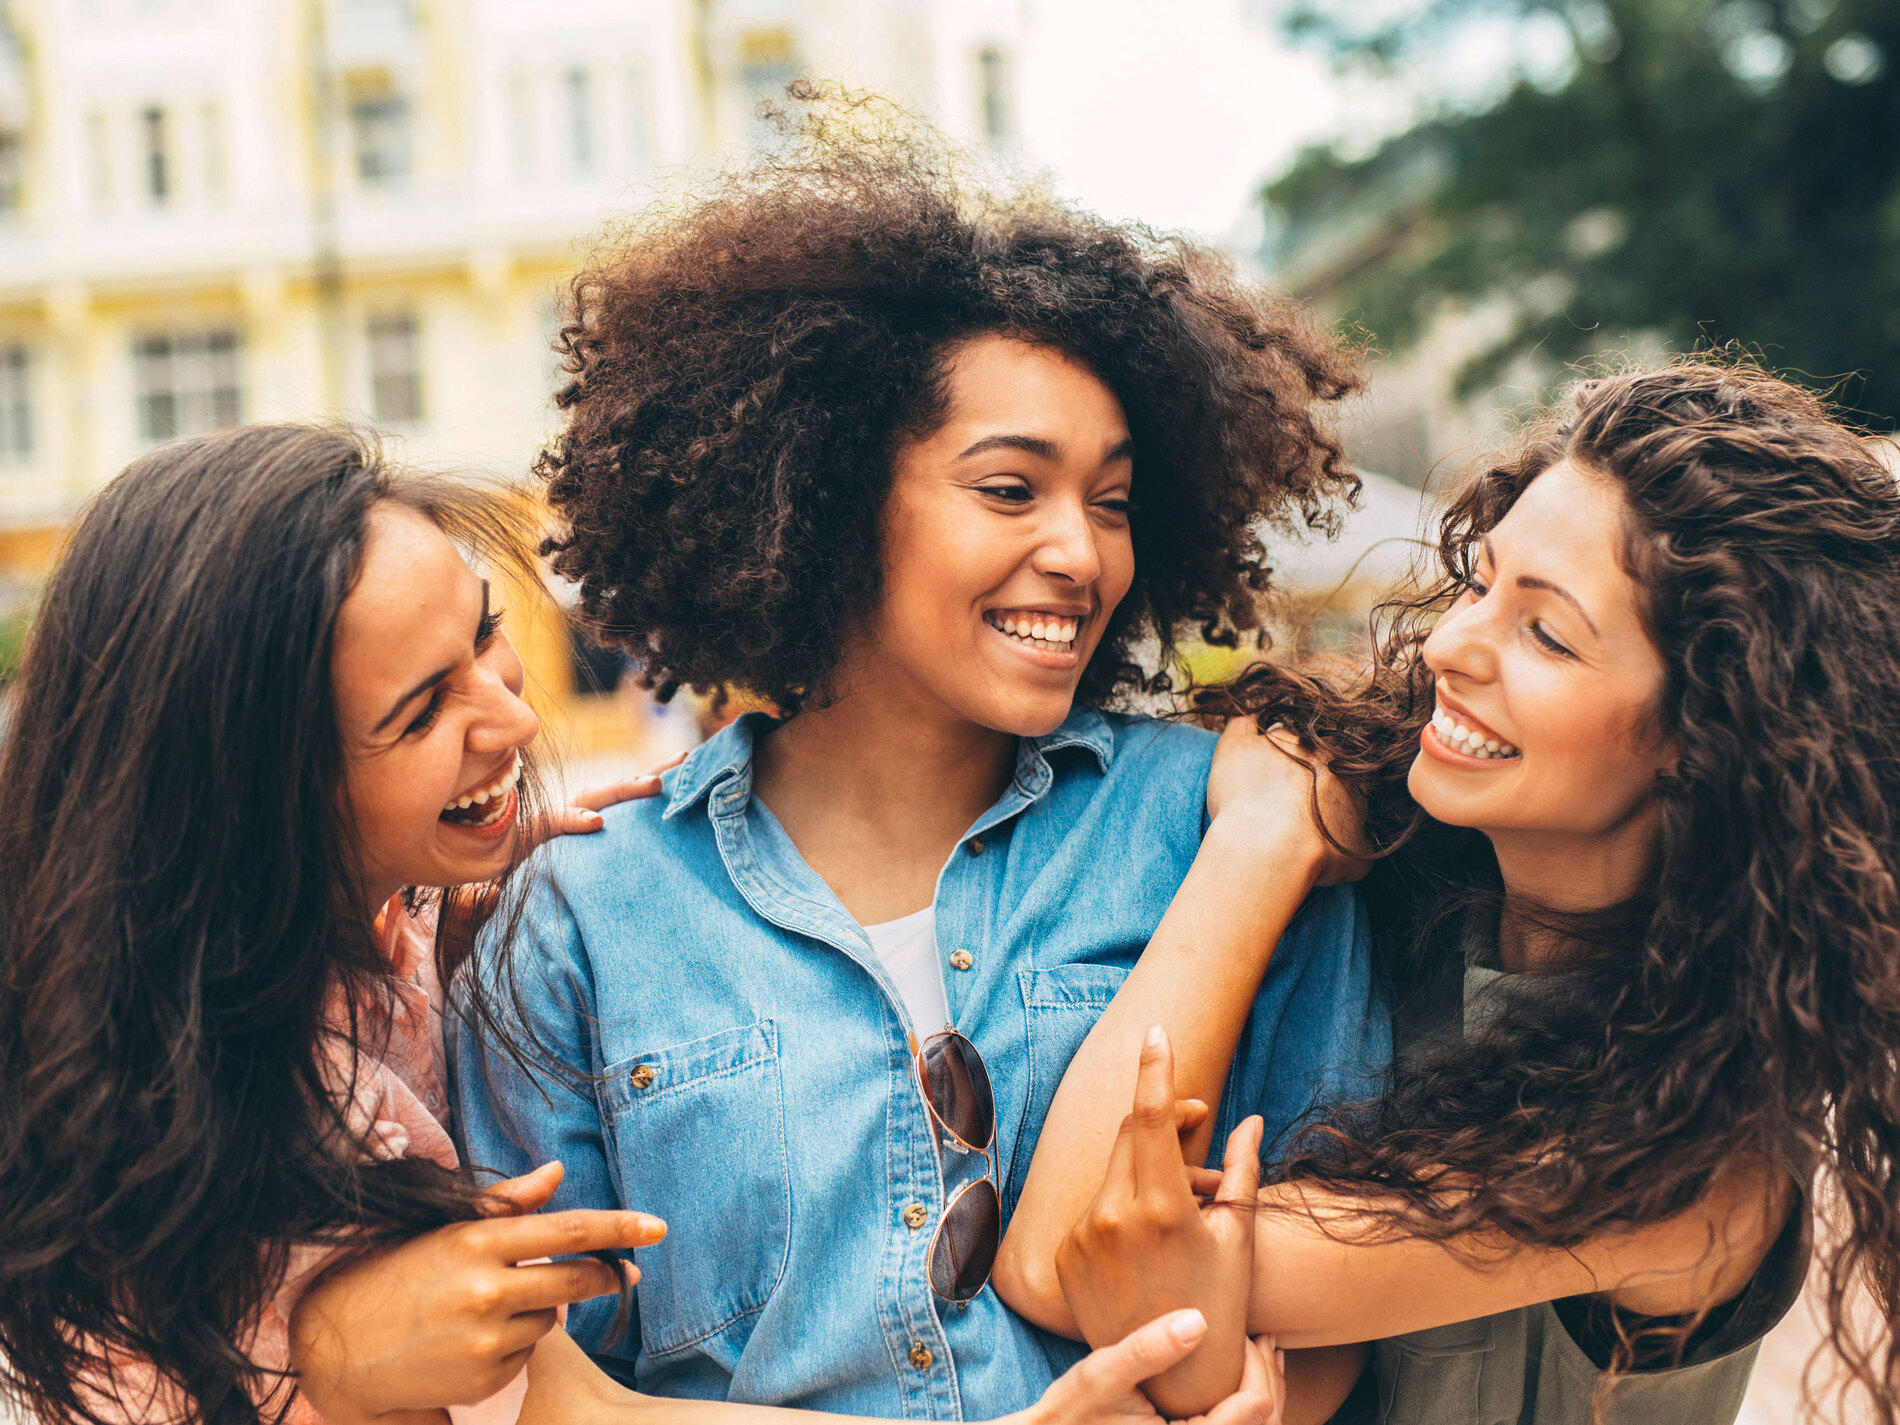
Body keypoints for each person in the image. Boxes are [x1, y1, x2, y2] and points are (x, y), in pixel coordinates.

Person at [0, 425, 1262, 1425]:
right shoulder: (252, 1102)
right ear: (262, 792)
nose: (509, 719)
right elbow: (573, 1410)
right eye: (423, 710)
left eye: (490, 642)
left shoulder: (424, 929)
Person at [451, 100, 1386, 1424]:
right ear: (826, 493)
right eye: (1011, 489)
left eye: (1112, 501)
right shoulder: (581, 922)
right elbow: (536, 1389)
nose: (1081, 552)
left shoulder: (1235, 828)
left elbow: (1333, 1310)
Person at [1000, 362, 1900, 1424]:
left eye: (1546, 633)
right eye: (1482, 584)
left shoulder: (1699, 1166)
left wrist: (1258, 843)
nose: (1444, 644)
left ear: (1706, 741)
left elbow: (1076, 1260)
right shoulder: (1411, 880)